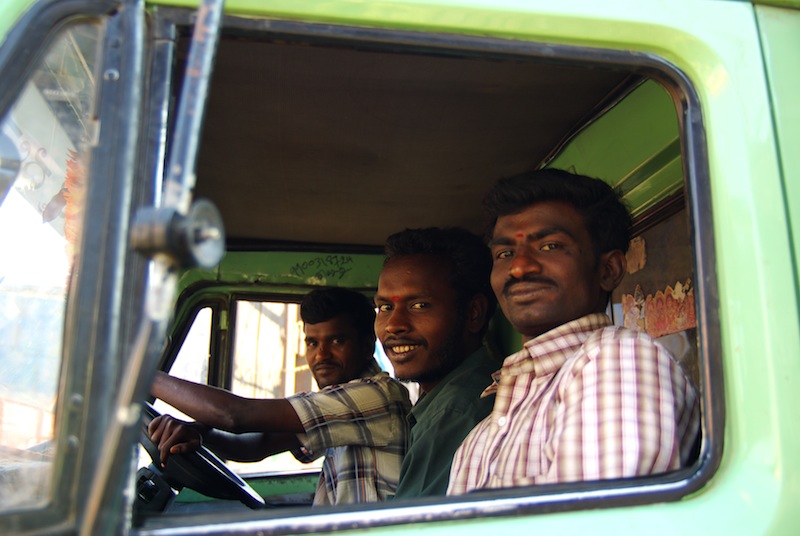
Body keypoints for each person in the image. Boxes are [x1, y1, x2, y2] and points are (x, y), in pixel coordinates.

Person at [447, 169, 700, 494]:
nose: (520, 267)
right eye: (505, 254)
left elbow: (596, 518)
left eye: (550, 246)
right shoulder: (481, 438)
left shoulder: (619, 362)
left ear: (608, 270)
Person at [148, 287, 412, 506]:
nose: (320, 356)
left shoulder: (376, 396)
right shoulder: (339, 404)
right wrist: (202, 436)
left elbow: (235, 415)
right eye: (312, 343)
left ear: (367, 345)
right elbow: (258, 444)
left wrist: (145, 377)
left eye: (336, 341)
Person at [374, 227, 500, 498]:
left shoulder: (457, 409)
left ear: (473, 313)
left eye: (419, 305)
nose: (394, 325)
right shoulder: (445, 397)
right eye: (385, 307)